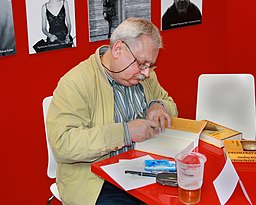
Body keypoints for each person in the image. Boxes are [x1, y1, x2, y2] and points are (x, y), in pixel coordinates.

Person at [47, 17, 178, 205]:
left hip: (143, 167)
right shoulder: (76, 83)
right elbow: (64, 144)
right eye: (142, 63)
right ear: (118, 49)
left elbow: (170, 103)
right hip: (95, 180)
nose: (147, 73)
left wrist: (158, 106)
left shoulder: (144, 77)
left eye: (150, 65)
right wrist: (125, 133)